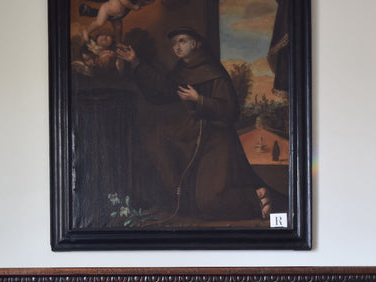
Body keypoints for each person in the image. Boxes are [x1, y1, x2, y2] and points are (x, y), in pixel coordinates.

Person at [115, 26, 276, 221]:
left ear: (195, 43)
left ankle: (255, 198)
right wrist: (136, 62)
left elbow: (230, 111)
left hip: (217, 142)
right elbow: (162, 88)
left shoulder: (213, 72)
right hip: (192, 138)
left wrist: (199, 99)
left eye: (182, 41)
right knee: (156, 143)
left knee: (209, 201)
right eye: (174, 43)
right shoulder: (182, 71)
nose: (177, 46)